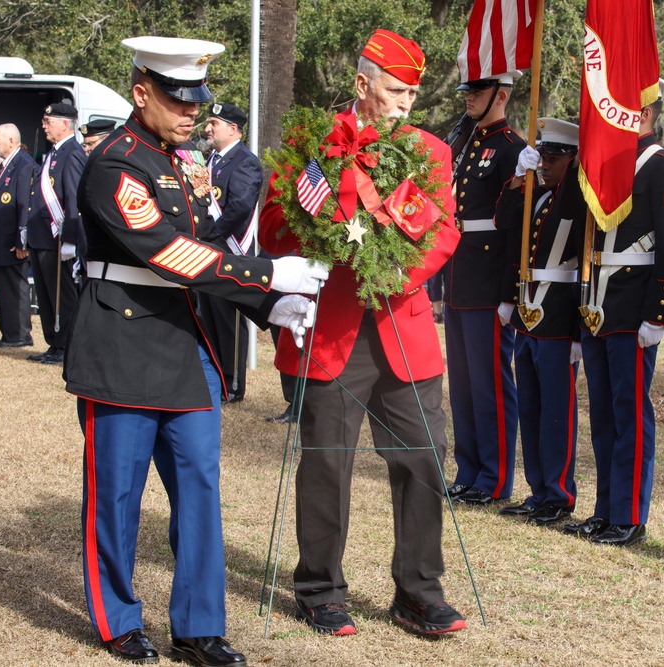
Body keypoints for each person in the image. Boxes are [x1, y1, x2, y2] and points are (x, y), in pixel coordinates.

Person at [66, 35, 327, 666]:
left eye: (198, 101)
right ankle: (119, 620)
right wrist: (271, 276)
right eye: (179, 100)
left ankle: (200, 626)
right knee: (117, 498)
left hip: (187, 349)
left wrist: (268, 306)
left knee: (200, 495)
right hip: (122, 348)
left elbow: (209, 248)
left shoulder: (185, 164)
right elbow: (167, 253)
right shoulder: (114, 163)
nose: (193, 112)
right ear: (140, 93)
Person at [258, 28, 466, 637]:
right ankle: (320, 588)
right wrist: (313, 223)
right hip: (331, 331)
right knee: (327, 464)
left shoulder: (430, 150)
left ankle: (419, 591)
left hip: (402, 325)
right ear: (361, 84)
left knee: (424, 460)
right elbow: (272, 228)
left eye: (412, 93)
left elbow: (445, 230)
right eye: (395, 90)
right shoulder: (311, 145)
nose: (405, 103)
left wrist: (398, 271)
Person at [564, 81, 664, 547]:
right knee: (604, 416)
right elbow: (582, 237)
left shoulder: (662, 167)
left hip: (633, 307)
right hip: (597, 304)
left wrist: (658, 315)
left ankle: (630, 515)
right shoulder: (604, 163)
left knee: (630, 413)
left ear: (641, 115)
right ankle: (605, 509)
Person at [442, 68, 526, 506]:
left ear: (502, 94)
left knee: (490, 382)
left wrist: (509, 292)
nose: (469, 96)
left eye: (478, 89)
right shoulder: (467, 143)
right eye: (468, 89)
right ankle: (468, 468)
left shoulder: (513, 149)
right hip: (460, 273)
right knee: (463, 383)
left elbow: (514, 229)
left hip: (489, 277)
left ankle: (494, 478)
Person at [493, 118, 582, 527]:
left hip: (560, 313)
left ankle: (559, 493)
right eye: (541, 156)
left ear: (572, 160)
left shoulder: (574, 197)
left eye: (552, 157)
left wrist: (580, 330)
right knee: (531, 406)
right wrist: (518, 176)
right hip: (529, 311)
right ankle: (538, 488)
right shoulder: (539, 196)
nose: (544, 164)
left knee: (556, 411)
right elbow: (506, 221)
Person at [196, 102, 263, 402]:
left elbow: (239, 207)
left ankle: (233, 384)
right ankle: (216, 378)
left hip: (229, 250)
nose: (208, 128)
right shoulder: (211, 161)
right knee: (208, 316)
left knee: (228, 320)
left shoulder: (244, 161)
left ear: (233, 129)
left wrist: (211, 233)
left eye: (214, 123)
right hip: (208, 249)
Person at [26, 102, 86, 365]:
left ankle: (67, 346)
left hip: (58, 238)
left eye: (48, 121)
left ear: (64, 123)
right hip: (42, 237)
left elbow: (74, 200)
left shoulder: (72, 153)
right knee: (47, 295)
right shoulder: (53, 153)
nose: (43, 125)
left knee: (63, 296)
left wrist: (71, 239)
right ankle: (53, 342)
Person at [0, 124, 34, 347]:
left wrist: (22, 240)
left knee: (15, 290)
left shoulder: (22, 164)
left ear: (11, 141)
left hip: (13, 244)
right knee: (3, 291)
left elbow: (25, 205)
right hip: (0, 242)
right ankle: (9, 333)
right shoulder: (6, 165)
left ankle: (20, 335)